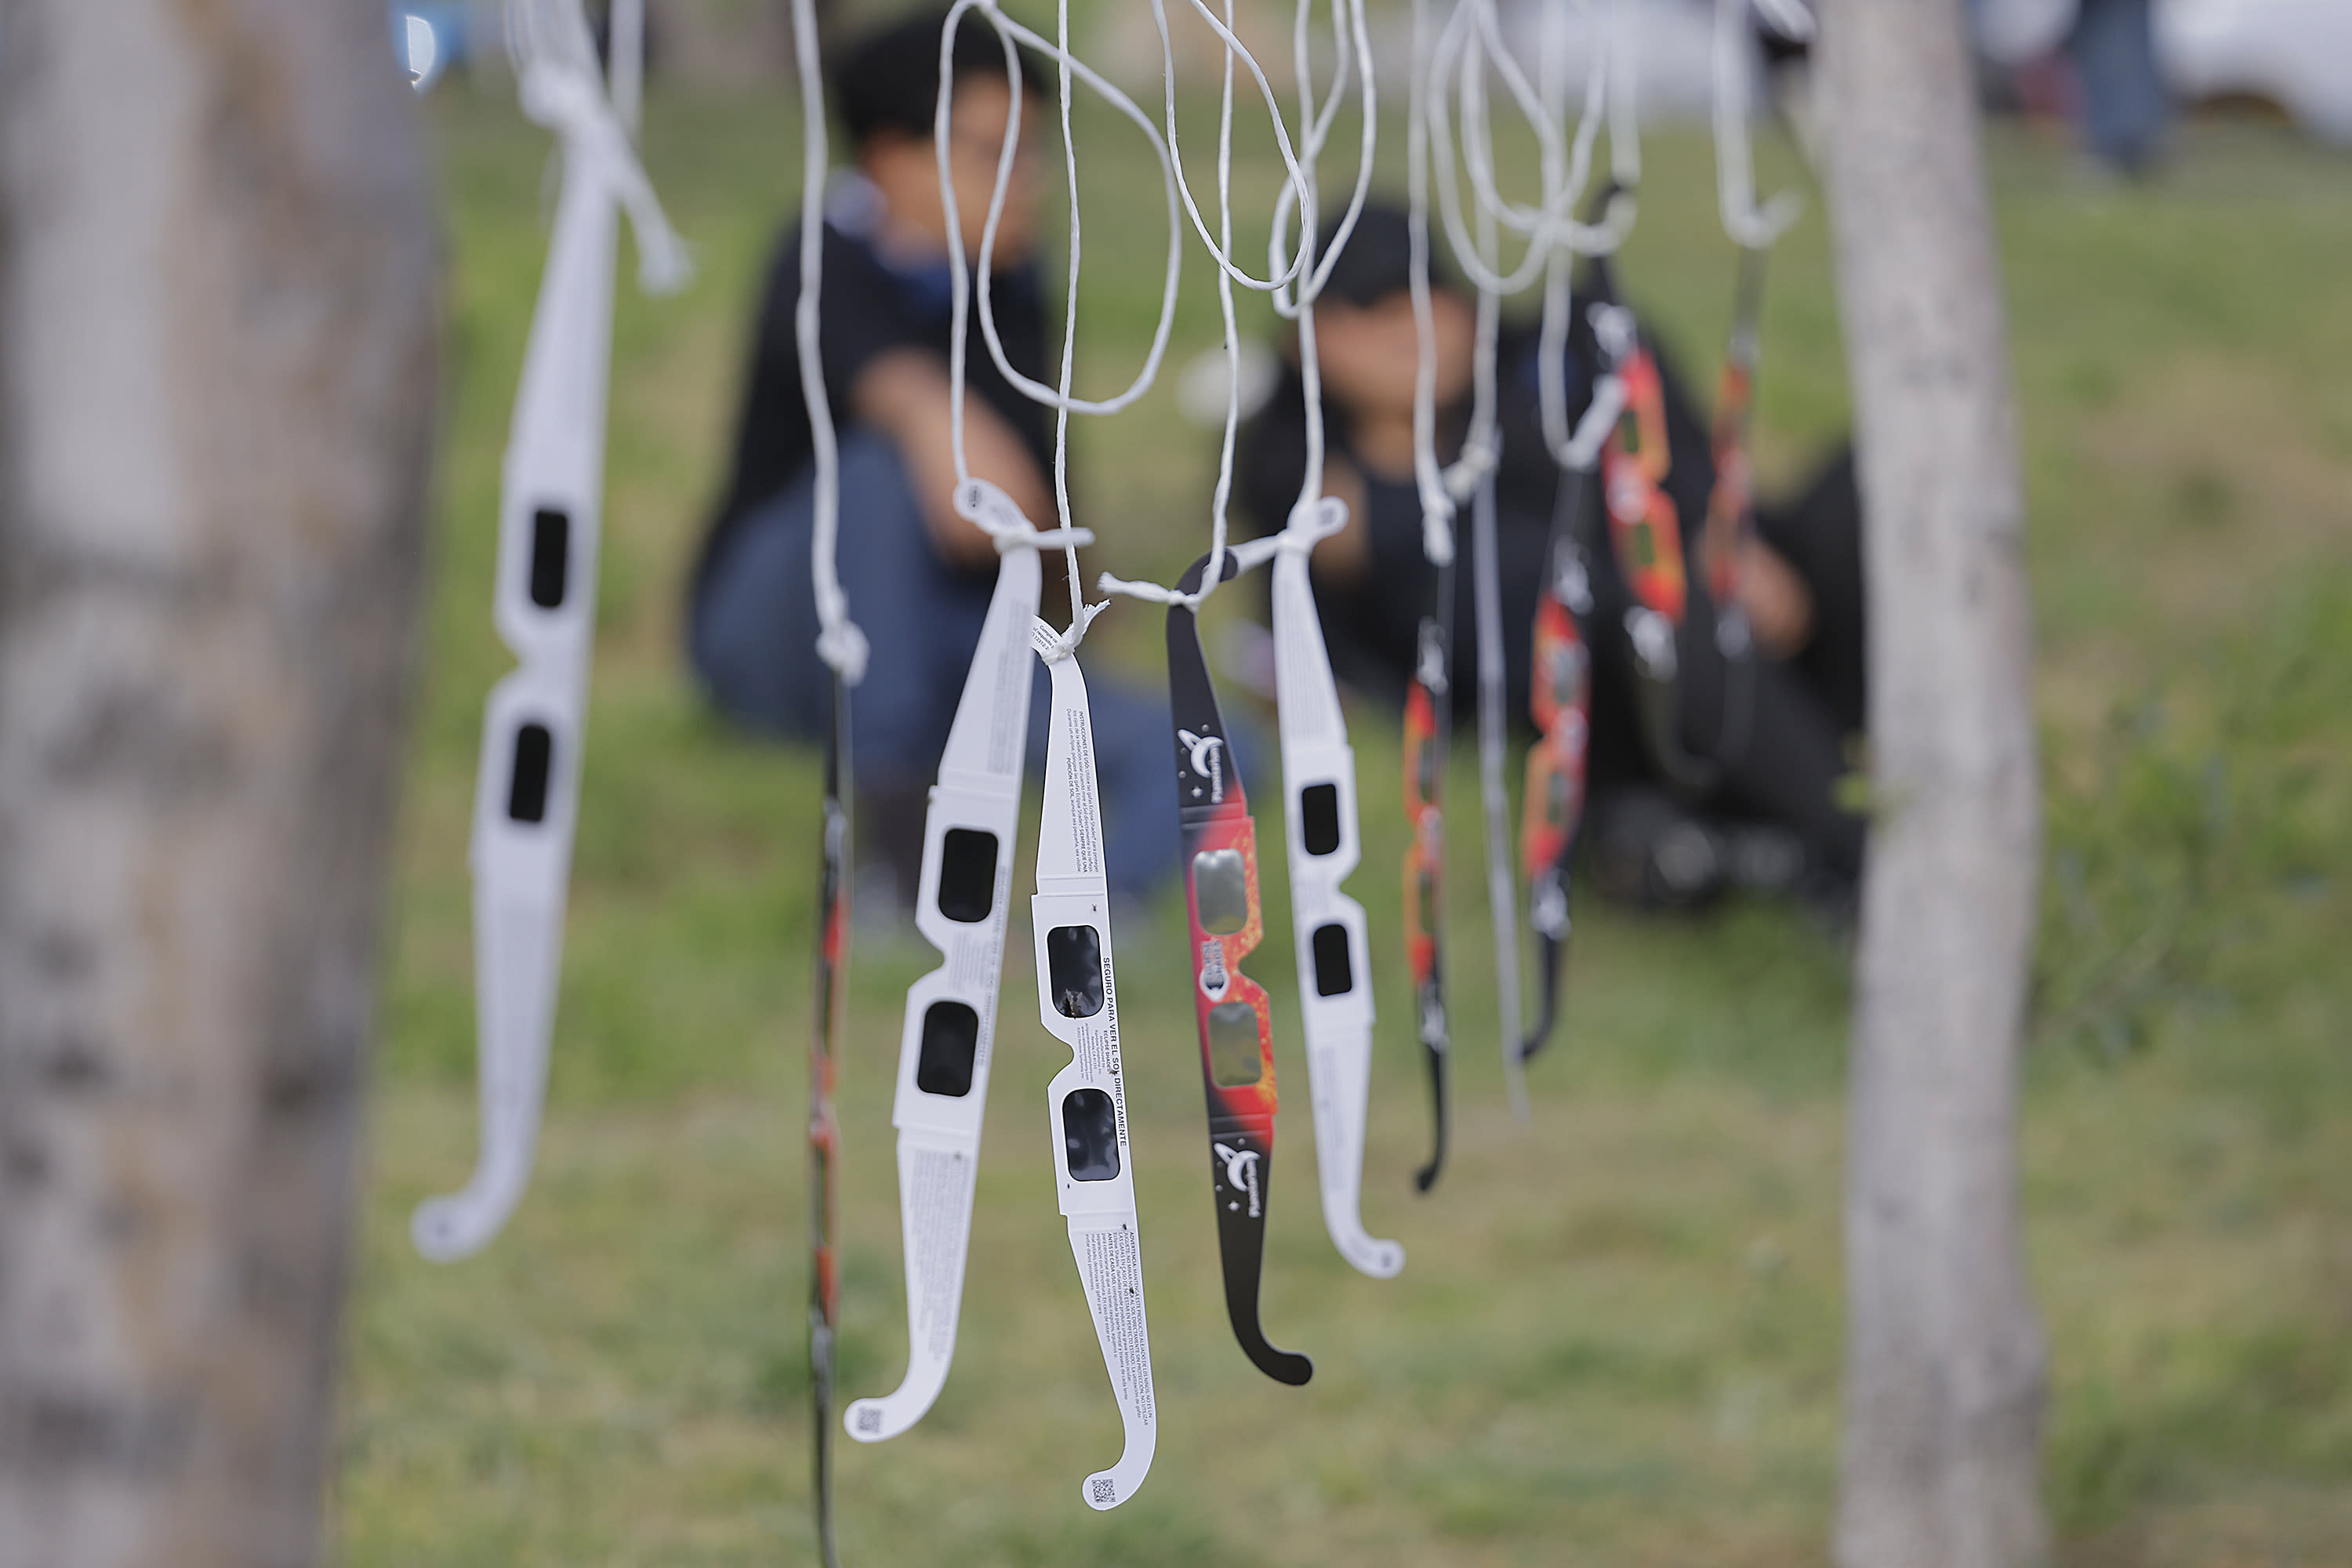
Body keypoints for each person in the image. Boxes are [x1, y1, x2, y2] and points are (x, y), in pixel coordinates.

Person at [1236, 205, 1867, 919]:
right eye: (1366, 316)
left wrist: (1718, 534)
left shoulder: (1554, 360)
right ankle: (1860, 845)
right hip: (1621, 701)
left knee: (1863, 483)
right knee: (1642, 604)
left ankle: (1858, 785)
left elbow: (1680, 471)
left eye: (1421, 303)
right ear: (1304, 345)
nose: (1403, 338)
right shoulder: (1303, 477)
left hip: (1762, 630)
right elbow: (1516, 588)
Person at [688, 11, 1178, 906]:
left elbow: (1042, 522)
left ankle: (1082, 929)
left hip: (949, 646)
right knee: (881, 472)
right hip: (784, 636)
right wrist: (948, 433)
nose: (1026, 183)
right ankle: (893, 850)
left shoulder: (1012, 288)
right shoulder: (818, 257)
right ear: (891, 156)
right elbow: (946, 459)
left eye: (1035, 154)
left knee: (1203, 747)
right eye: (994, 154)